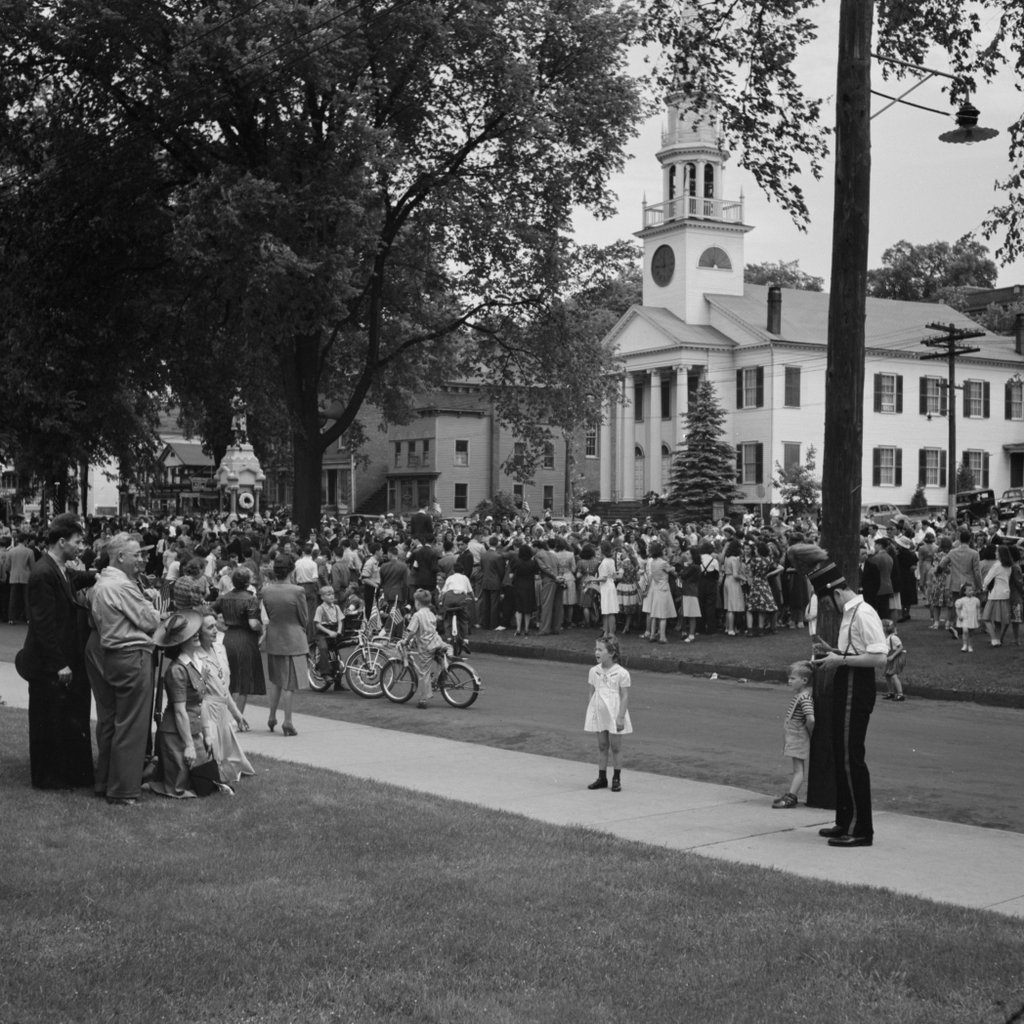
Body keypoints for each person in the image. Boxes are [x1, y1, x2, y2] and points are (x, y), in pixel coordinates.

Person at [15, 514, 96, 790]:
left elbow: (75, 578)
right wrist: (59, 663)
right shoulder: (43, 573)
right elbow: (43, 625)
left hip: (58, 660)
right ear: (62, 542)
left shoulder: (58, 568)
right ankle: (49, 778)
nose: (80, 546)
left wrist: (102, 573)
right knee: (47, 721)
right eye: (77, 541)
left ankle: (65, 774)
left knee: (60, 719)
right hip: (47, 665)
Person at [809, 559, 886, 848]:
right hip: (848, 680)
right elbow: (857, 651)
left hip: (857, 684)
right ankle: (846, 820)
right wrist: (834, 653)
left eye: (827, 602)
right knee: (841, 752)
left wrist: (839, 659)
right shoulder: (851, 612)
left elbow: (879, 657)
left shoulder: (863, 613)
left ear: (836, 592)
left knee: (850, 756)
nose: (828, 608)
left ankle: (861, 829)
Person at [90, 533, 164, 806]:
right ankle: (122, 790)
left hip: (113, 655)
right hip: (132, 656)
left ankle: (107, 781)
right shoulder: (122, 586)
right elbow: (150, 621)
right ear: (120, 557)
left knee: (115, 721)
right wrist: (152, 604)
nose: (142, 560)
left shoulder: (104, 582)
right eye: (137, 555)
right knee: (132, 725)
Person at [145, 611, 233, 798]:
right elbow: (179, 712)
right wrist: (189, 745)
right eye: (188, 635)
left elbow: (201, 703)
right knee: (182, 786)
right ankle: (154, 774)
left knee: (209, 780)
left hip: (193, 731)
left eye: (194, 632)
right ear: (178, 643)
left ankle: (155, 769)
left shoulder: (196, 664)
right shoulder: (177, 670)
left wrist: (207, 735)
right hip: (176, 734)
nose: (195, 635)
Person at [198, 612, 254, 784]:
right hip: (207, 712)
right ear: (199, 633)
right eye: (210, 627)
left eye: (215, 625)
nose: (215, 630)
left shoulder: (220, 649)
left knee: (229, 763)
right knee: (214, 765)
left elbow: (224, 688)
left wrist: (237, 714)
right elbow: (197, 693)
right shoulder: (195, 657)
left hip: (222, 711)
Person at [261, 554, 309, 736]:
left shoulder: (266, 590)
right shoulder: (298, 591)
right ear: (291, 570)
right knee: (290, 683)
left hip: (275, 636)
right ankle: (287, 721)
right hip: (293, 636)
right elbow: (304, 617)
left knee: (276, 680)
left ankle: (272, 716)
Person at [212, 566, 265, 713]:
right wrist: (261, 629)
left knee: (228, 678)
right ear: (247, 582)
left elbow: (209, 612)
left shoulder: (224, 597)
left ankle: (228, 715)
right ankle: (238, 717)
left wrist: (220, 625)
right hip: (246, 639)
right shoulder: (251, 599)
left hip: (228, 638)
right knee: (244, 681)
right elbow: (253, 624)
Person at [584, 636, 631, 792]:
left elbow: (624, 695)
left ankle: (616, 778)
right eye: (596, 649)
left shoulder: (621, 673)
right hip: (599, 713)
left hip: (614, 713)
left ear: (611, 653)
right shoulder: (593, 671)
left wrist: (620, 716)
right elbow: (591, 692)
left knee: (616, 747)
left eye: (600, 649)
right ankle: (601, 777)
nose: (596, 652)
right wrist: (593, 711)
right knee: (602, 745)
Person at [771, 660, 815, 809]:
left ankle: (792, 796)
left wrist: (809, 731)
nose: (789, 681)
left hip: (798, 734)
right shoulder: (800, 695)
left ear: (804, 680)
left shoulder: (804, 697)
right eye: (789, 678)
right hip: (794, 734)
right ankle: (791, 794)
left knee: (798, 769)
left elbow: (810, 718)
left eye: (792, 678)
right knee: (797, 767)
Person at [404, 588, 448, 708]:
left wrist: (405, 641)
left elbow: (412, 631)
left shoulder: (417, 615)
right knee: (439, 659)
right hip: (437, 642)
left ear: (417, 603)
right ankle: (440, 676)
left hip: (426, 646)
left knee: (424, 672)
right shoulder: (431, 613)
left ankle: (423, 699)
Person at [313, 583, 345, 687]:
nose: (331, 596)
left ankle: (338, 682)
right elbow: (317, 624)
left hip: (334, 631)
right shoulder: (320, 609)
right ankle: (325, 673)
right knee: (323, 648)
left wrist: (338, 631)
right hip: (322, 633)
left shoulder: (336, 607)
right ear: (322, 597)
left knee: (337, 655)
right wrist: (329, 632)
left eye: (332, 594)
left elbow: (340, 621)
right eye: (328, 594)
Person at [643, 541, 676, 644]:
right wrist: (674, 567)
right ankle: (662, 636)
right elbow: (671, 571)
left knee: (654, 613)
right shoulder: (662, 563)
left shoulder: (653, 562)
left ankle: (652, 635)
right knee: (663, 615)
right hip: (664, 588)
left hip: (656, 588)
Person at [981, 545, 1013, 646]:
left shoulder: (997, 565)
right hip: (1005, 594)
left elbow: (987, 579)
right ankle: (997, 639)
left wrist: (983, 588)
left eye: (997, 552)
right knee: (998, 620)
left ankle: (994, 639)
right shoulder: (1008, 565)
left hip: (995, 594)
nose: (995, 553)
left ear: (1000, 554)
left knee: (986, 617)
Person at [596, 539, 620, 639]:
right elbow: (613, 575)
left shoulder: (605, 562)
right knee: (606, 611)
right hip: (610, 586)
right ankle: (606, 632)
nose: (597, 552)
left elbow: (604, 578)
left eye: (599, 550)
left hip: (606, 587)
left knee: (609, 611)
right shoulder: (611, 560)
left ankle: (611, 633)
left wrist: (592, 579)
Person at [881, 619, 906, 701]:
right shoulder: (886, 638)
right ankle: (891, 692)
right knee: (887, 675)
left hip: (895, 658)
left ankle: (900, 694)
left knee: (893, 675)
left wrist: (892, 656)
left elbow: (901, 647)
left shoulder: (894, 638)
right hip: (890, 658)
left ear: (885, 628)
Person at [954, 583, 981, 654]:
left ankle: (970, 645)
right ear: (964, 592)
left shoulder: (976, 600)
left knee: (971, 632)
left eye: (972, 590)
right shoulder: (962, 600)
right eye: (969, 590)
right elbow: (957, 608)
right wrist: (959, 615)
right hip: (965, 618)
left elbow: (978, 608)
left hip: (972, 618)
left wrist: (978, 615)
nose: (971, 591)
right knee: (965, 631)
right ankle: (965, 644)